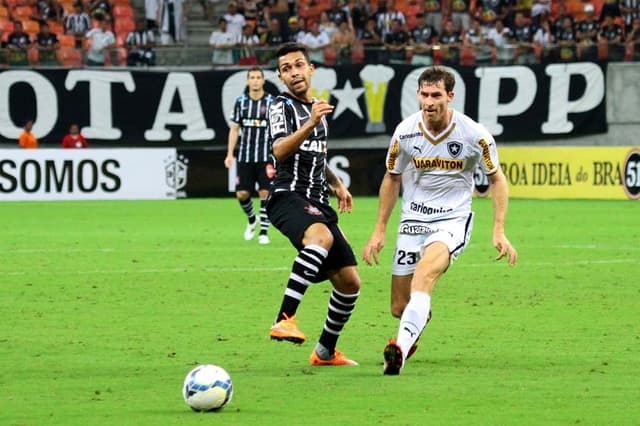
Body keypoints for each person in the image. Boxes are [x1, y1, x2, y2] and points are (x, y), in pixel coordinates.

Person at [362, 66, 518, 375]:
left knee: (424, 275)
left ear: (450, 96)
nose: (429, 102)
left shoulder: (474, 135)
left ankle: (399, 352)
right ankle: (414, 322)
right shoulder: (405, 132)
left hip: (452, 220)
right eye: (424, 95)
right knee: (399, 306)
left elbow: (497, 180)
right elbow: (392, 178)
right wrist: (379, 230)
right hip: (412, 218)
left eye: (436, 95)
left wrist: (498, 230)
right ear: (417, 95)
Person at [266, 42, 361, 366]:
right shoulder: (281, 106)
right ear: (280, 77)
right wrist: (308, 123)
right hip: (287, 196)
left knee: (349, 282)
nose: (294, 72)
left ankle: (324, 351)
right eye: (287, 69)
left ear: (311, 69)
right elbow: (280, 151)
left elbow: (317, 158)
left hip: (318, 200)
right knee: (321, 237)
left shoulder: (319, 111)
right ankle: (284, 319)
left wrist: (337, 184)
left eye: (299, 65)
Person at [224, 67, 275, 245]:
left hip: (266, 156)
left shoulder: (271, 102)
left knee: (265, 192)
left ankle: (263, 232)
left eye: (258, 77)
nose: (255, 80)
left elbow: (279, 129)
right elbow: (234, 129)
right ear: (247, 81)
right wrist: (230, 154)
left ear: (263, 81)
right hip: (245, 156)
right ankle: (252, 219)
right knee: (242, 194)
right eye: (251, 77)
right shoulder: (241, 102)